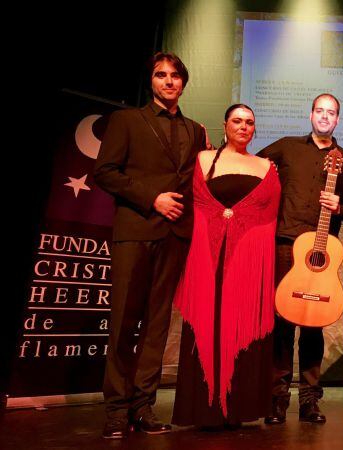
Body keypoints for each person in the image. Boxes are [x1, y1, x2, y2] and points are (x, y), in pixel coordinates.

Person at [93, 52, 206, 439]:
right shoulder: (127, 120)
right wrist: (151, 197)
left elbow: (196, 184)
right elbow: (104, 172)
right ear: (151, 82)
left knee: (156, 328)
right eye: (161, 75)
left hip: (175, 237)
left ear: (183, 82)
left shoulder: (195, 129)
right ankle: (115, 410)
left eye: (175, 76)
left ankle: (143, 407)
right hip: (136, 231)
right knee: (124, 322)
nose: (169, 81)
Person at [171, 104, 280, 429]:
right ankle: (202, 409)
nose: (244, 127)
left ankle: (238, 408)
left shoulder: (266, 166)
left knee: (242, 325)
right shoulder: (204, 159)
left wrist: (243, 235)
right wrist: (221, 223)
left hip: (248, 262)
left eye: (249, 122)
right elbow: (197, 202)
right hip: (208, 257)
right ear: (225, 124)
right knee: (207, 325)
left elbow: (269, 215)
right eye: (237, 121)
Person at [259, 93, 343, 424]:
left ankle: (309, 400)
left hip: (319, 251)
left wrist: (339, 207)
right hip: (286, 245)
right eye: (320, 111)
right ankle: (276, 399)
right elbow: (253, 168)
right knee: (281, 325)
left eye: (331, 113)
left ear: (337, 120)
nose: (324, 116)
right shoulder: (286, 147)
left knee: (313, 326)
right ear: (311, 114)